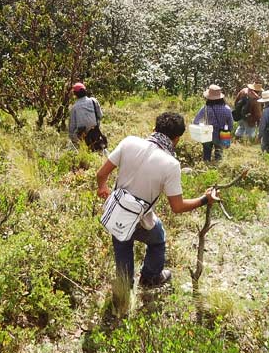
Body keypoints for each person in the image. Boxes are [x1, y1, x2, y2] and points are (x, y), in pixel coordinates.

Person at [96, 112, 219, 289]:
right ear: (176, 139)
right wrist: (204, 200)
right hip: (141, 219)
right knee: (158, 237)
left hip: (117, 214)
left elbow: (101, 174)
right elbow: (177, 206)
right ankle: (150, 278)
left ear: (154, 129)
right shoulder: (171, 164)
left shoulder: (129, 142)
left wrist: (103, 188)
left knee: (122, 244)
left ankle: (124, 286)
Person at [193, 84, 232, 162]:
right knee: (219, 155)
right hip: (221, 135)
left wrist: (202, 126)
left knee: (206, 154)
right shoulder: (227, 109)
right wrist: (228, 132)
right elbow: (230, 125)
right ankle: (217, 170)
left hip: (207, 134)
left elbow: (196, 121)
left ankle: (207, 169)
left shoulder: (205, 108)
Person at [68, 82, 103, 149]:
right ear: (85, 91)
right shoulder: (93, 101)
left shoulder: (74, 108)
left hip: (81, 136)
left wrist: (73, 140)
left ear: (75, 94)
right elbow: (100, 116)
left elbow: (72, 128)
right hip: (95, 133)